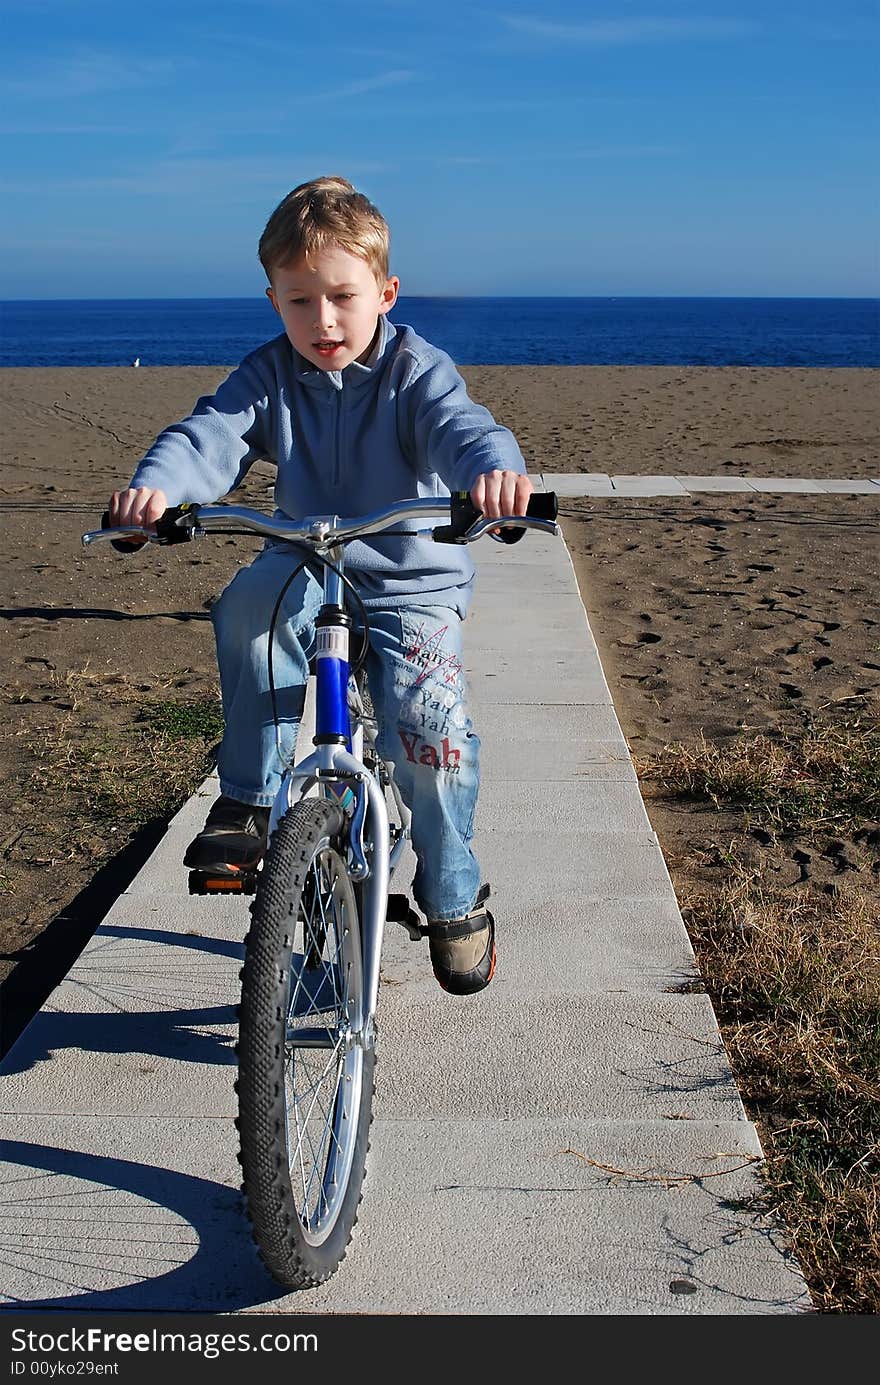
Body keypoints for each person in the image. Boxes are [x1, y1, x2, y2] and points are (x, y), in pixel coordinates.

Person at [109, 175, 532, 995]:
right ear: (274, 301)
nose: (324, 320)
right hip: (303, 555)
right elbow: (210, 434)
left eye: (343, 295)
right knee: (247, 608)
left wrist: (495, 479)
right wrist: (156, 490)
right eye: (301, 301)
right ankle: (246, 802)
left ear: (386, 291)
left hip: (410, 576)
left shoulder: (416, 371)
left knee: (430, 732)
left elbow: (465, 429)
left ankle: (449, 889)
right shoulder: (270, 374)